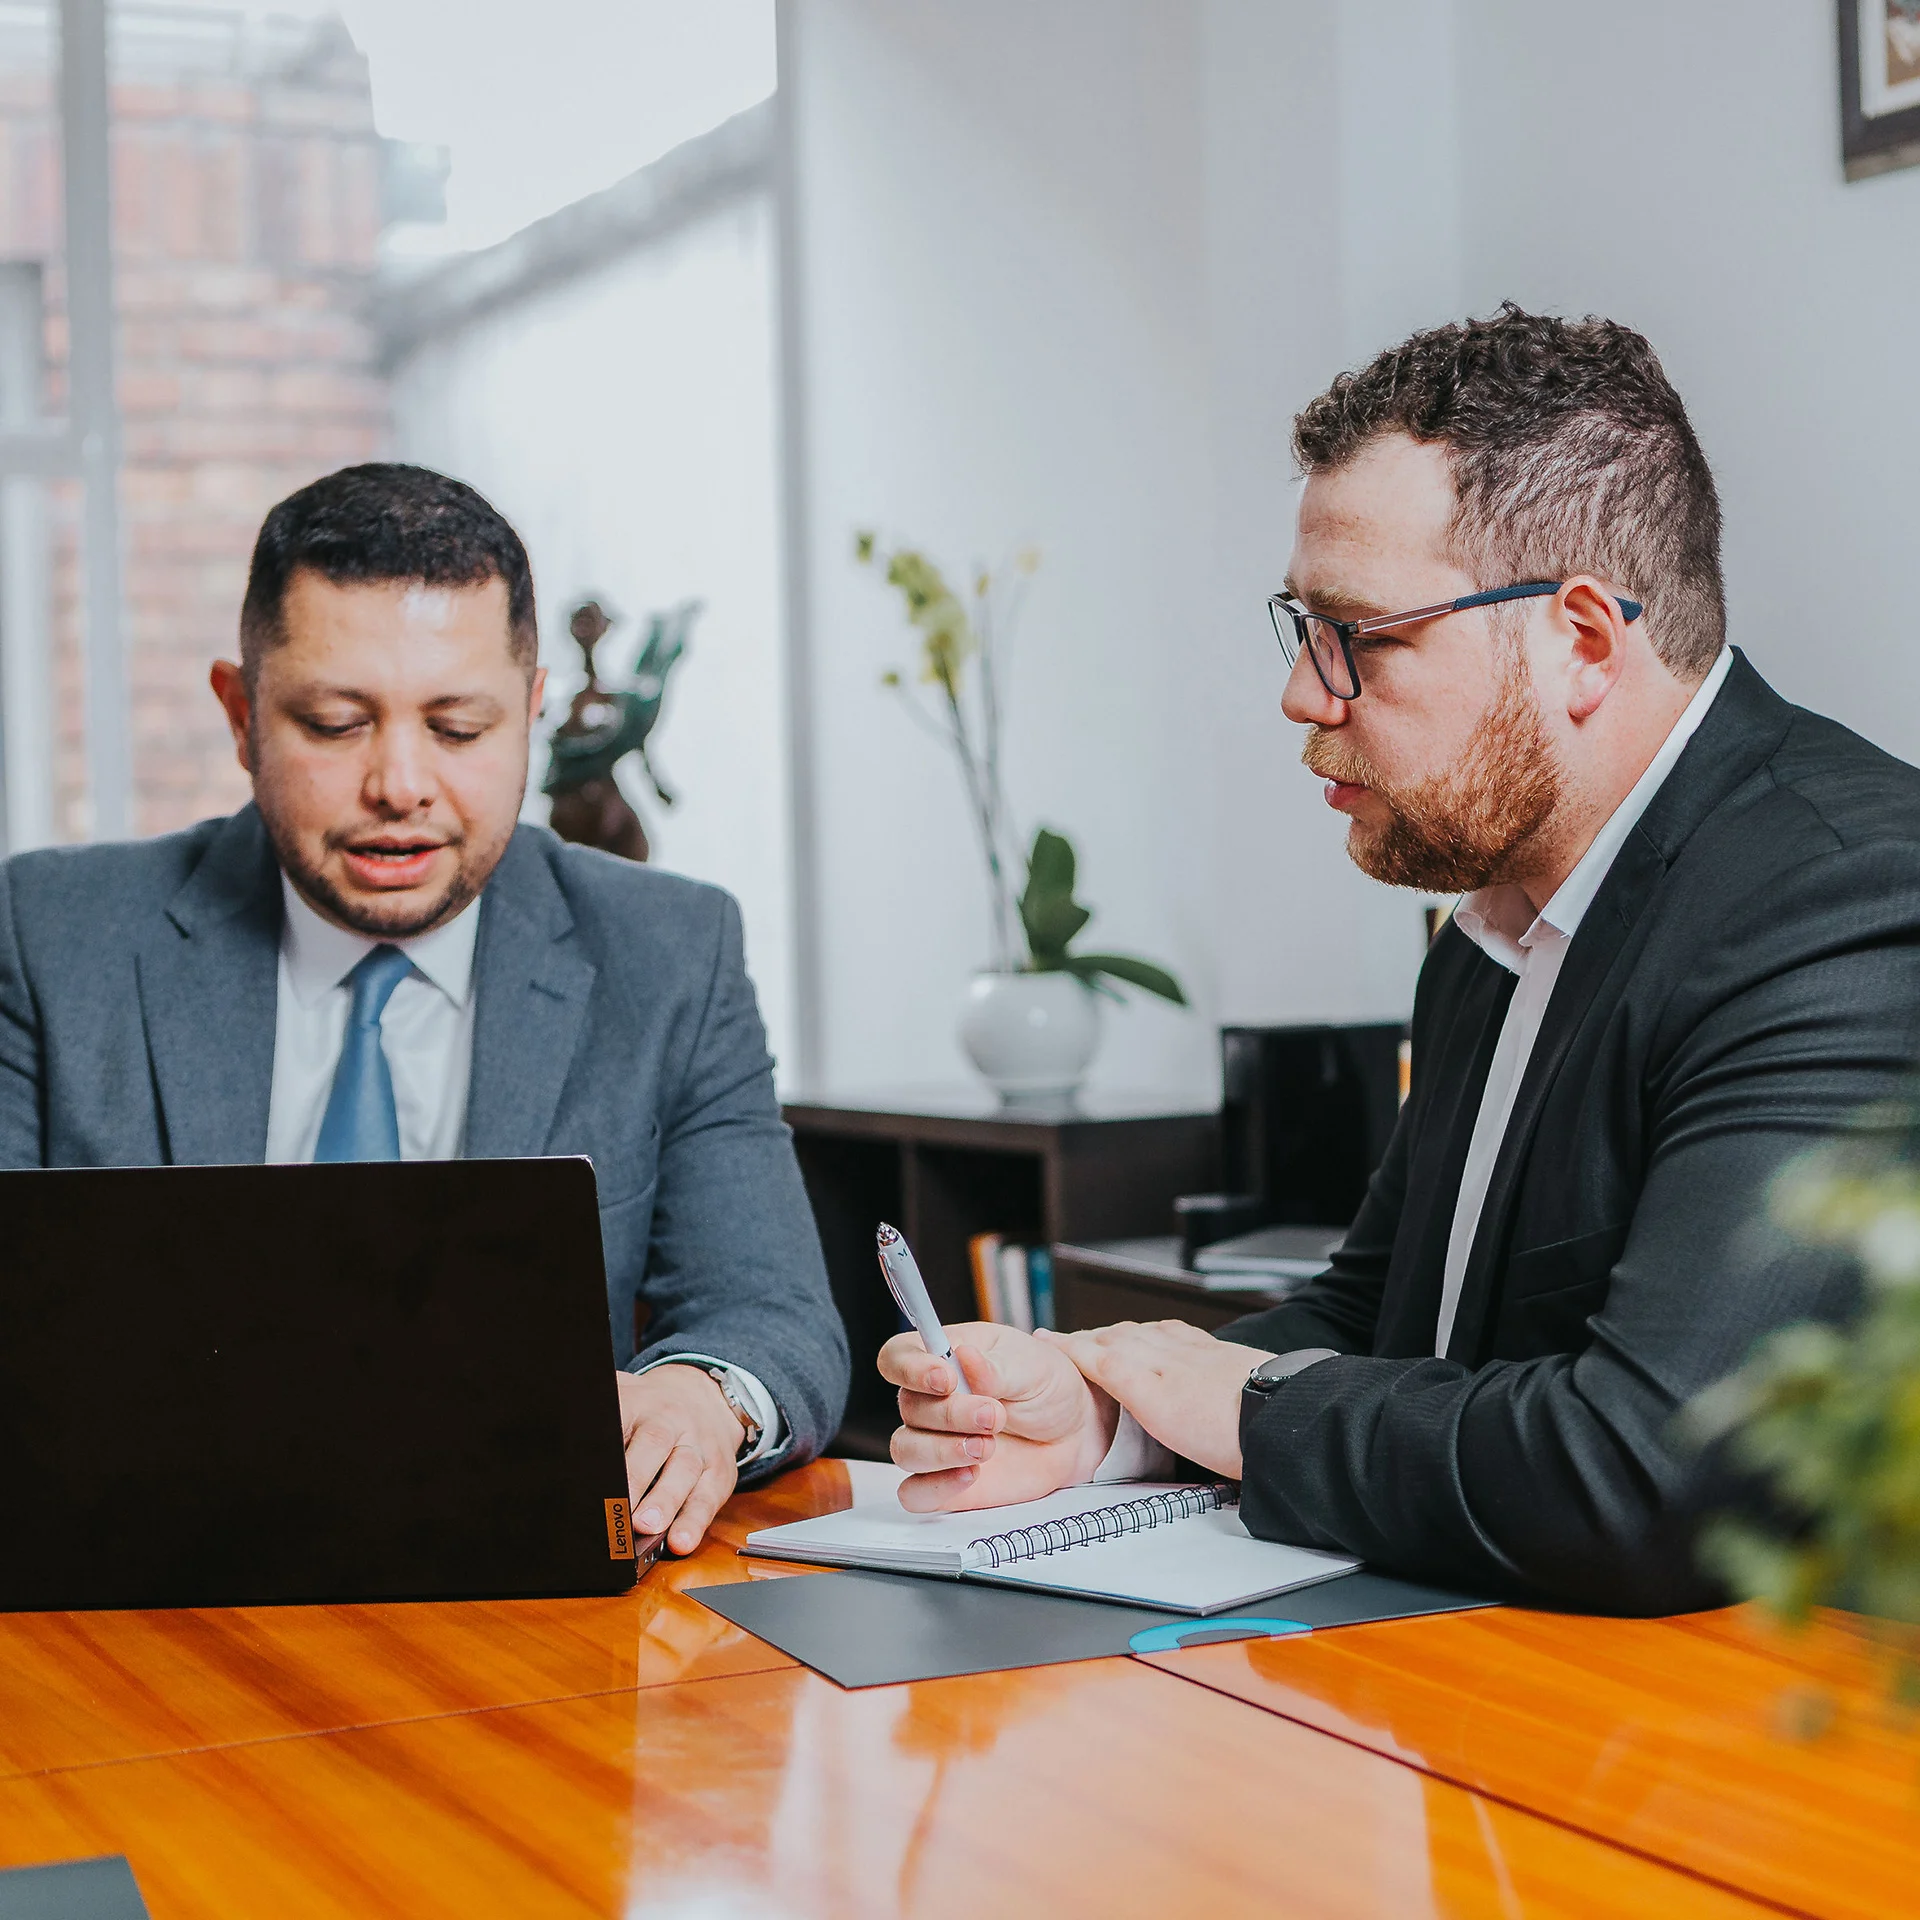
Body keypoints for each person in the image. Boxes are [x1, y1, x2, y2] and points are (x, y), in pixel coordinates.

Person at [881, 305, 1920, 1614]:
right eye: (1300, 630)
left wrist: (1248, 1409)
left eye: (1359, 636)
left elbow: (1646, 1471)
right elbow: (1384, 1321)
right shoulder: (1490, 918)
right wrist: (1103, 1418)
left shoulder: (1849, 900)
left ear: (1584, 643)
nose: (1306, 697)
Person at [0, 463, 847, 1555]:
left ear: (533, 714)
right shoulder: (54, 934)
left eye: (457, 728)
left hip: (521, 1609)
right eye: (337, 724)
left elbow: (773, 1316)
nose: (400, 784)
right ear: (240, 712)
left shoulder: (669, 953)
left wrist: (700, 1400)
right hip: (155, 1587)